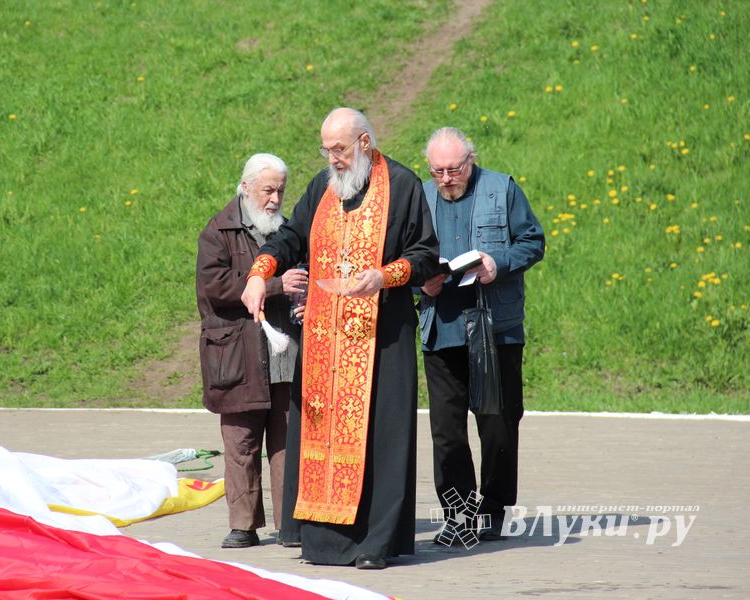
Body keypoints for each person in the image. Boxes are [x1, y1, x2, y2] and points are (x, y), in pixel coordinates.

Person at [241, 108, 440, 569]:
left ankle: (376, 543)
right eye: (326, 150)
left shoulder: (404, 186)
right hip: (327, 338)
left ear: (365, 144)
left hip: (383, 335)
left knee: (379, 440)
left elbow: (427, 255)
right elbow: (290, 238)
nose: (333, 159)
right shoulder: (323, 187)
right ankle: (327, 542)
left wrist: (385, 276)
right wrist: (259, 272)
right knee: (324, 439)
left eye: (340, 150)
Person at [418, 127, 545, 541]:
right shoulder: (420, 196)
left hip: (494, 329)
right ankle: (457, 512)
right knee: (446, 431)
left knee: (498, 422)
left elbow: (533, 241)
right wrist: (420, 281)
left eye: (454, 169)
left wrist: (498, 263)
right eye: (438, 171)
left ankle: (492, 508)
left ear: (470, 161)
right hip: (441, 328)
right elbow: (401, 255)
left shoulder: (501, 188)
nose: (446, 179)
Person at [196, 153, 309, 549]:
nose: (276, 199)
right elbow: (217, 288)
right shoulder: (219, 230)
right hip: (237, 355)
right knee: (241, 442)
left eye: (280, 190)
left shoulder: (289, 232)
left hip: (283, 355)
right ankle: (243, 526)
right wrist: (277, 285)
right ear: (245, 188)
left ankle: (290, 524)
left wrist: (304, 296)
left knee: (285, 441)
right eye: (268, 190)